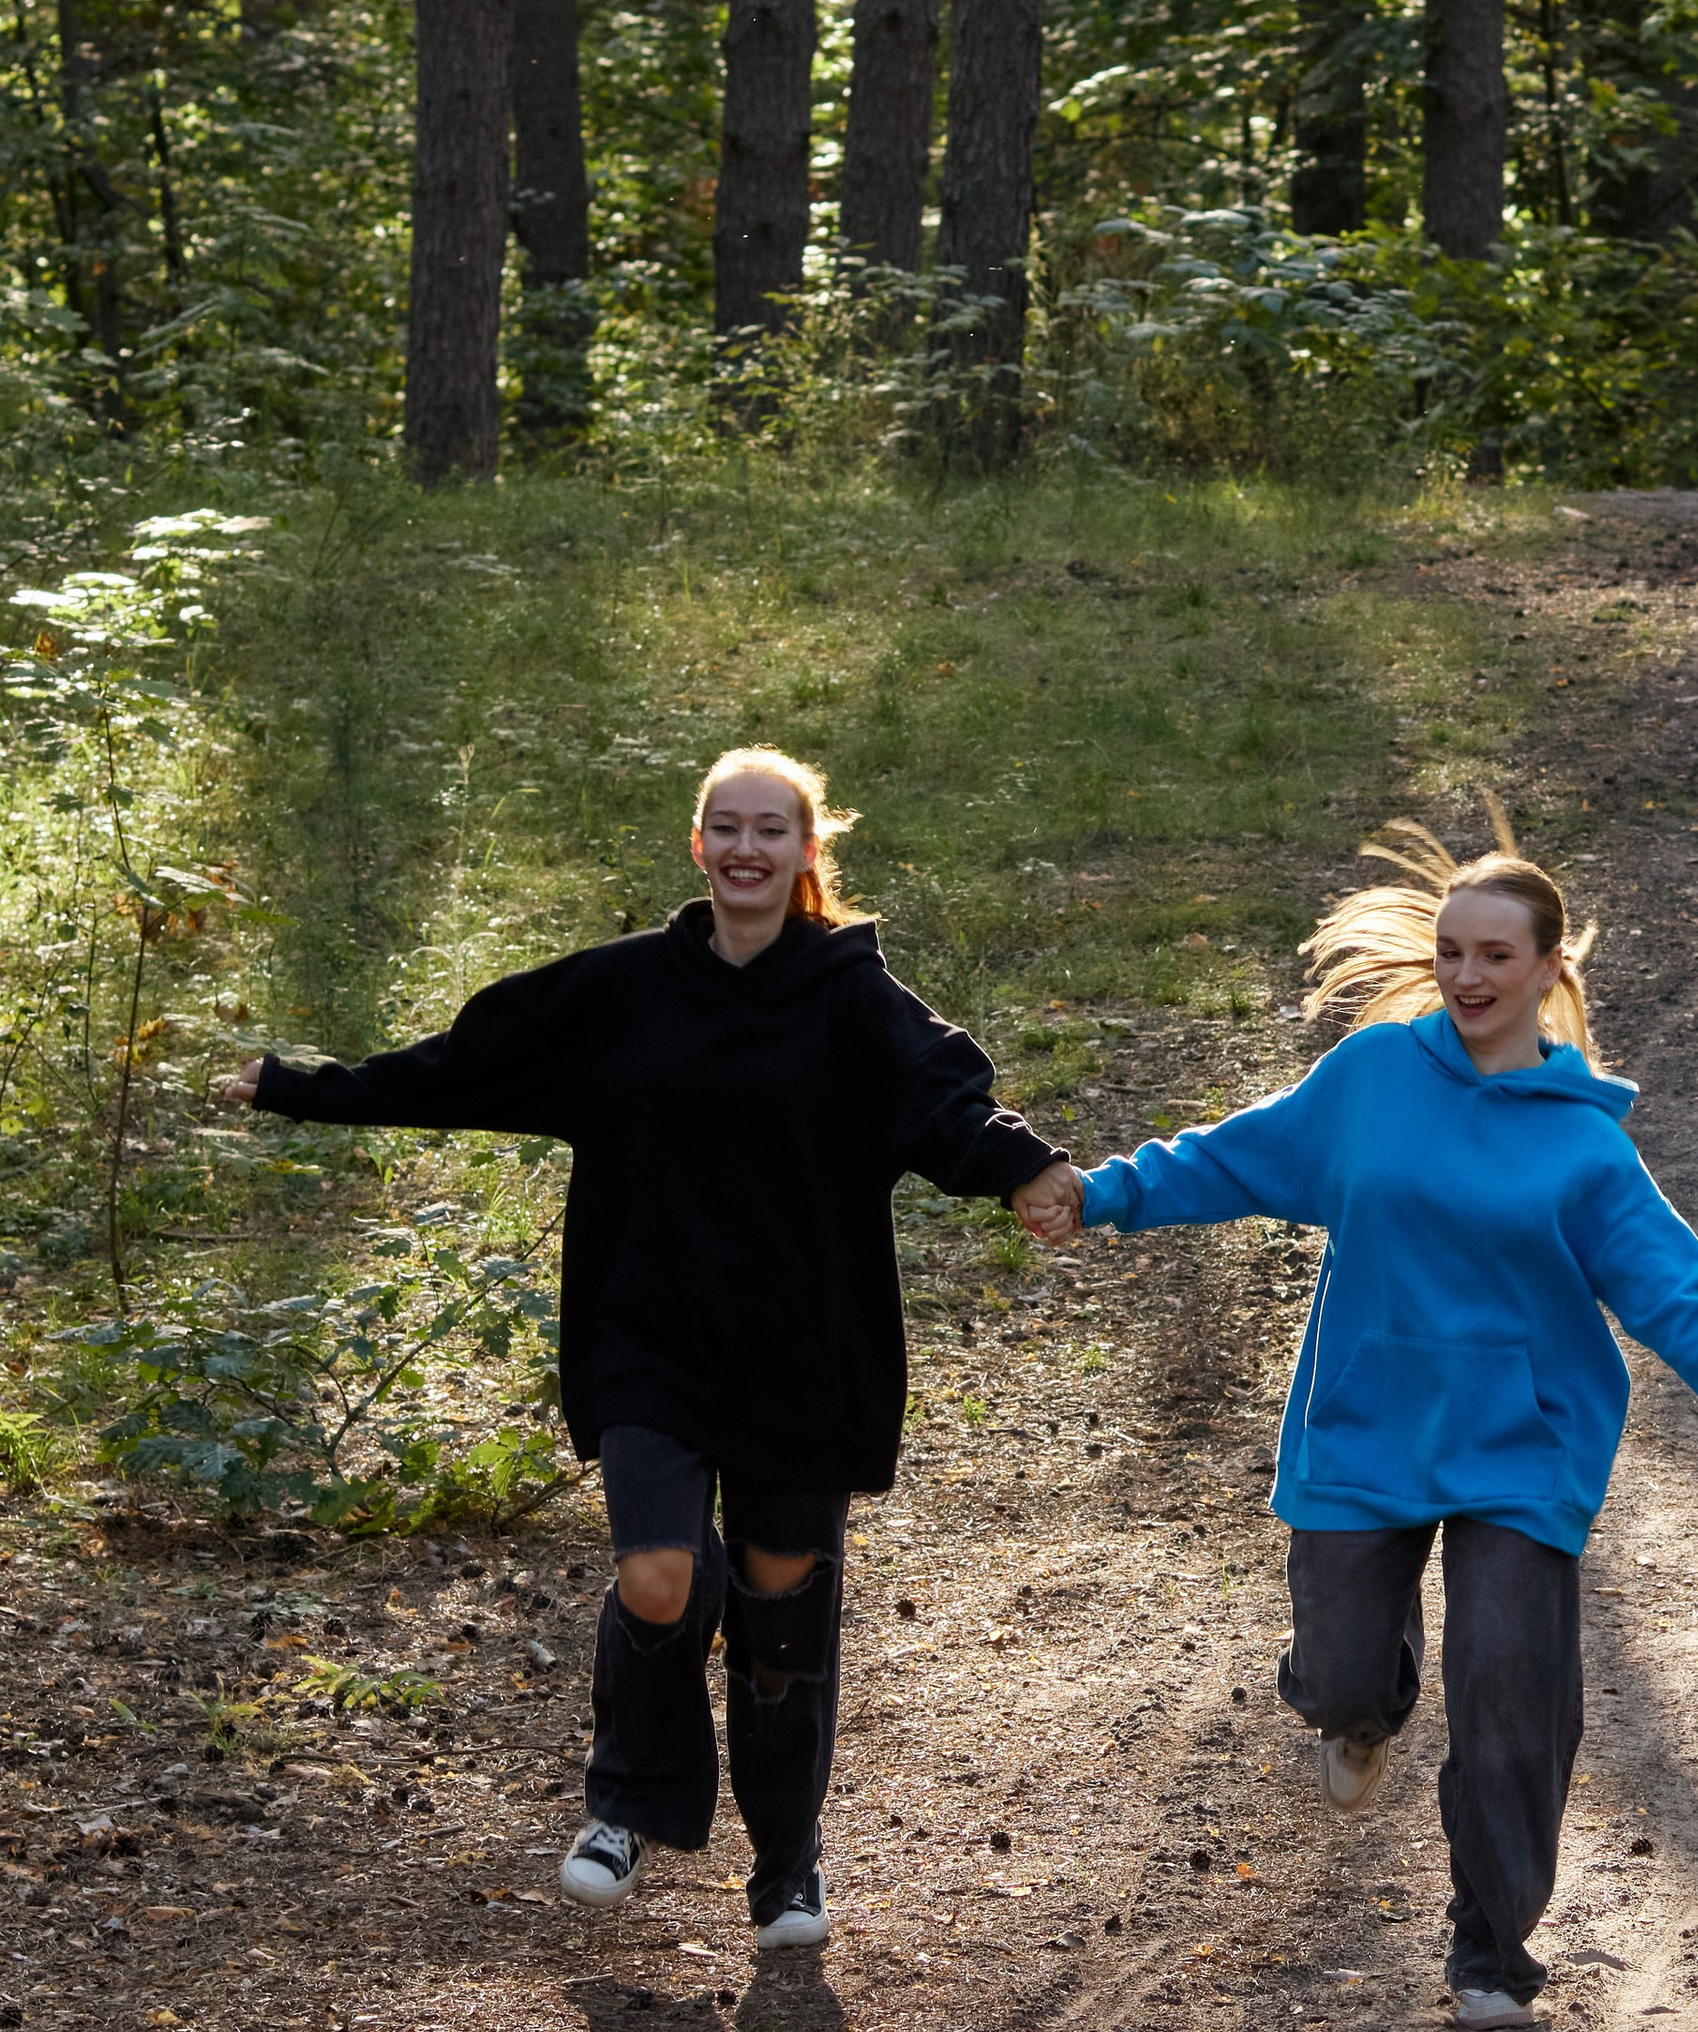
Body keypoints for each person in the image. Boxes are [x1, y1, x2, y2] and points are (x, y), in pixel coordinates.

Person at [222, 750, 1076, 1953]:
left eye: (769, 831)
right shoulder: (622, 992)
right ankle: (627, 1804)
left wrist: (1026, 1168)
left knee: (783, 1614)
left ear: (805, 853)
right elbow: (470, 1063)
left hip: (803, 1352)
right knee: (659, 1574)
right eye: (724, 828)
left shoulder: (851, 997)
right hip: (649, 1336)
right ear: (696, 846)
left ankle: (786, 1867)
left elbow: (945, 1102)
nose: (745, 849)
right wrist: (305, 1091)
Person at [1019, 814, 1698, 2030]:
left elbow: (1669, 1294)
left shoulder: (1584, 1146)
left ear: (1548, 970)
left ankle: (1490, 1949)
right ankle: (1360, 1708)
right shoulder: (1375, 1077)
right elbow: (1234, 1160)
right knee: (1336, 1671)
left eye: (1497, 955)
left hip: (1519, 1448)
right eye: (1452, 952)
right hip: (1368, 1421)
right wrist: (1104, 1194)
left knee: (1508, 1685)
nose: (1469, 976)